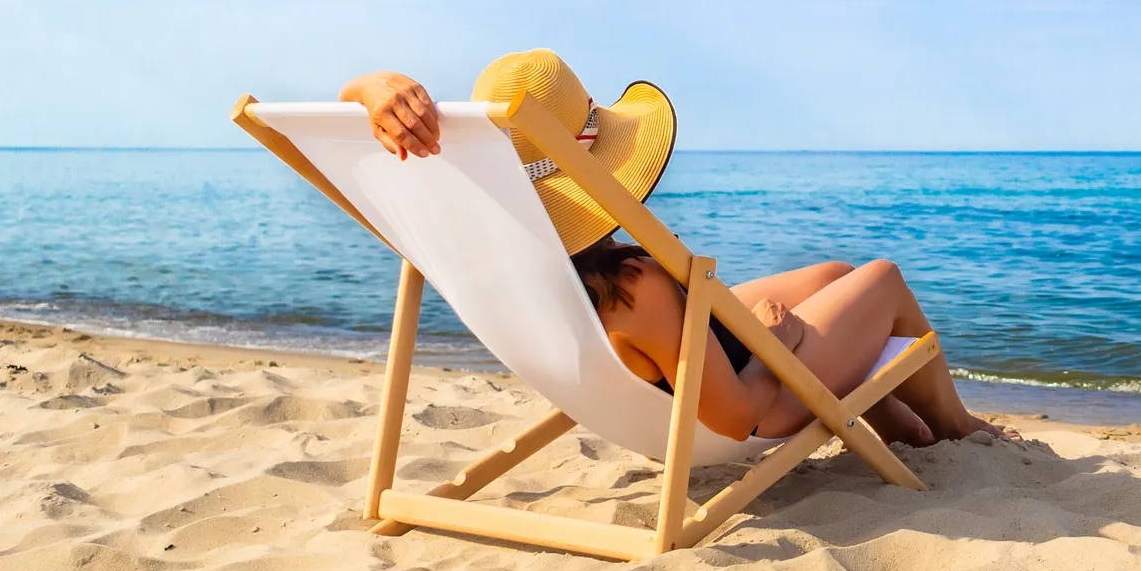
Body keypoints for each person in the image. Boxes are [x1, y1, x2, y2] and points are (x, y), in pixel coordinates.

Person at [340, 57, 1007, 447]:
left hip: (657, 363)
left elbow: (346, 124)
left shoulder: (499, 250)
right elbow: (738, 417)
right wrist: (779, 347)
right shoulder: (639, 285)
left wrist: (377, 87)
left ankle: (893, 417)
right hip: (750, 398)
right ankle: (955, 424)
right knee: (881, 279)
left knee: (834, 276)